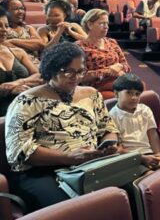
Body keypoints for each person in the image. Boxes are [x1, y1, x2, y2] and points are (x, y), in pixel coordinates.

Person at [5, 42, 119, 211]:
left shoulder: (91, 94)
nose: (76, 77)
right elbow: (18, 152)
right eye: (67, 71)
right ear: (51, 69)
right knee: (75, 209)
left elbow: (107, 128)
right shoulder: (26, 101)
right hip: (44, 171)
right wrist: (69, 157)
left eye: (80, 71)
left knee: (126, 191)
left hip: (88, 164)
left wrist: (108, 144)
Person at [109, 74, 160, 171]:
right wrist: (141, 158)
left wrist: (157, 155)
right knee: (150, 178)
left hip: (149, 153)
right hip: (129, 158)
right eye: (129, 93)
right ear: (116, 94)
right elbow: (117, 149)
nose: (134, 97)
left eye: (137, 94)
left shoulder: (145, 110)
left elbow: (152, 134)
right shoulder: (112, 116)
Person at [77, 9, 132, 99]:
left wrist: (121, 69)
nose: (106, 27)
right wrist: (108, 71)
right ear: (90, 25)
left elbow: (126, 66)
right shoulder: (80, 47)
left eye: (107, 24)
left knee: (140, 88)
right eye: (102, 23)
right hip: (97, 87)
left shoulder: (112, 42)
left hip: (119, 82)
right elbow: (81, 76)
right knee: (120, 99)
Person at [0, 7, 41, 115]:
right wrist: (9, 90)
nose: (4, 29)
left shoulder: (18, 52)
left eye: (6, 26)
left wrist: (17, 83)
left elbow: (38, 75)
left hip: (25, 106)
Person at [1, 0, 44, 64]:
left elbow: (40, 44)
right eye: (15, 9)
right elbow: (4, 44)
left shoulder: (28, 28)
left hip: (37, 63)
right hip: (16, 65)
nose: (20, 12)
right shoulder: (3, 30)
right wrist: (30, 45)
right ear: (5, 11)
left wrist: (12, 41)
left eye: (22, 8)